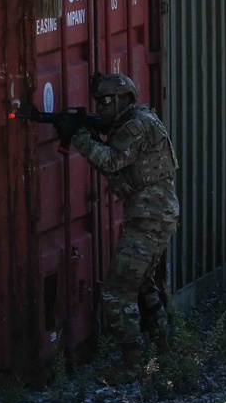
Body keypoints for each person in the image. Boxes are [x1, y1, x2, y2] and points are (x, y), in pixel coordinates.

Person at [62, 73, 180, 377]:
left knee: (117, 290)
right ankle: (163, 347)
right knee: (141, 283)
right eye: (98, 102)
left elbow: (112, 161)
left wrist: (78, 136)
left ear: (124, 99)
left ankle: (132, 362)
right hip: (153, 215)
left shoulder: (137, 125)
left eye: (106, 102)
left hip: (148, 217)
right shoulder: (137, 120)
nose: (100, 107)